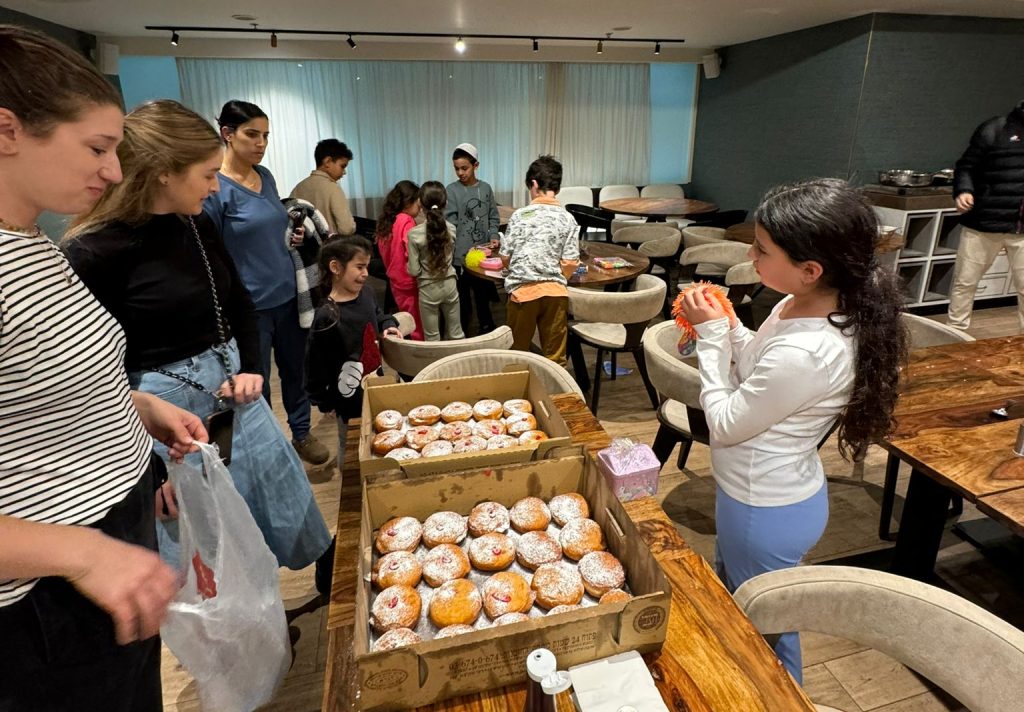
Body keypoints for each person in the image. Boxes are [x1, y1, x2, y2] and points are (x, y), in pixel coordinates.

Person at [0, 25, 207, 711]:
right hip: (45, 593)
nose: (116, 171)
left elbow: (41, 387)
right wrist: (85, 555)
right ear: (7, 131)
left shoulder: (34, 241)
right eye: (96, 147)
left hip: (107, 545)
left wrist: (140, 412)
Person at [64, 99, 335, 595]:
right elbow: (91, 382)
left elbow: (238, 303)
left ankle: (312, 592)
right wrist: (145, 470)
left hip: (233, 388)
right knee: (208, 540)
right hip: (161, 411)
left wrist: (252, 365)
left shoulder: (195, 223)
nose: (216, 187)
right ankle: (250, 635)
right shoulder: (93, 251)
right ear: (164, 173)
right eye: (208, 174)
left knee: (281, 496)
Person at [676, 178, 907, 683]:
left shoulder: (810, 351)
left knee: (767, 634)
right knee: (744, 608)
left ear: (809, 270)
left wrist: (714, 340)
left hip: (765, 508)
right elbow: (760, 364)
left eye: (761, 249)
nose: (750, 254)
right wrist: (731, 327)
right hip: (762, 493)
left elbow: (726, 424)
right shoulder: (796, 304)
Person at [204, 100, 330, 465]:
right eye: (252, 134)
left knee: (295, 370)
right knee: (256, 380)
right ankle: (267, 445)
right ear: (227, 134)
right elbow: (214, 253)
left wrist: (292, 236)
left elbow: (270, 227)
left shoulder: (266, 176)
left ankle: (301, 434)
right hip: (249, 307)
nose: (261, 143)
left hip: (288, 297)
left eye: (265, 135)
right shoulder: (217, 189)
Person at [304, 236, 402, 457]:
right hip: (348, 402)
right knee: (351, 449)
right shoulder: (326, 316)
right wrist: (322, 400)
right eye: (359, 267)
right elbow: (314, 363)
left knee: (378, 439)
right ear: (336, 267)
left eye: (366, 266)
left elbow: (378, 315)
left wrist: (387, 324)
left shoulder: (366, 294)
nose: (366, 273)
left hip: (375, 386)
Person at [947, 100, 1024, 332]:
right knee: (965, 282)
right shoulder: (995, 129)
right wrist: (963, 190)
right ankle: (955, 334)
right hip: (983, 222)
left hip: (1021, 229)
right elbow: (966, 166)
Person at [499, 156, 579, 365]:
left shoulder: (520, 215)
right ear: (557, 188)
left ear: (533, 184)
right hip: (555, 294)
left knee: (516, 354)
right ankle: (556, 394)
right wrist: (555, 276)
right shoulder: (567, 218)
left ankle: (519, 395)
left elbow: (505, 256)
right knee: (556, 358)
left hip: (522, 293)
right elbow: (571, 262)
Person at [446, 142, 500, 334]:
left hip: (482, 255)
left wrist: (493, 234)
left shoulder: (485, 189)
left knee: (482, 293)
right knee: (462, 296)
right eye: (456, 168)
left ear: (475, 165)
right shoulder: (451, 190)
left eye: (464, 168)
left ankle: (487, 325)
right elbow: (449, 224)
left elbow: (493, 216)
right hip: (460, 255)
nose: (460, 173)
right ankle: (463, 329)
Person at [408, 181, 464, 341]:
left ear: (420, 203)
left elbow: (414, 270)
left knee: (432, 337)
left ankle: (436, 366)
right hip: (450, 285)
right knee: (456, 333)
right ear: (445, 203)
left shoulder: (414, 234)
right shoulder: (452, 229)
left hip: (427, 288)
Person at [376, 180, 424, 340]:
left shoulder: (387, 221)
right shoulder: (406, 221)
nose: (420, 208)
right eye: (418, 203)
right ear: (408, 202)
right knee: (417, 323)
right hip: (409, 280)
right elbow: (411, 250)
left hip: (395, 279)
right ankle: (420, 355)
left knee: (407, 318)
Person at [289, 138, 356, 236]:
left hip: (305, 248)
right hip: (331, 247)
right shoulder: (333, 188)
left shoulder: (298, 187)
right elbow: (346, 228)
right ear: (327, 162)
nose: (344, 172)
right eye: (342, 166)